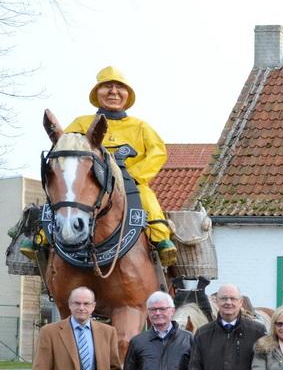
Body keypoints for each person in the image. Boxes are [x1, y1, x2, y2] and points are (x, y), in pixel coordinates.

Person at [23, 67, 175, 264]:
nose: (113, 91)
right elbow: (63, 148)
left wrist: (134, 175)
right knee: (63, 196)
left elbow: (158, 152)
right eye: (107, 86)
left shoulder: (141, 127)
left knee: (147, 197)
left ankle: (161, 239)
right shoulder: (81, 123)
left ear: (127, 95)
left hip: (129, 183)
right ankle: (40, 236)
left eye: (119, 87)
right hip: (90, 181)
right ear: (97, 93)